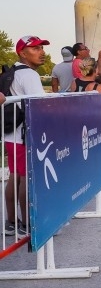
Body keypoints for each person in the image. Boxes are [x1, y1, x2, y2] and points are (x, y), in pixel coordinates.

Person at [3, 35, 49, 237]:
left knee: (15, 176)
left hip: (10, 133)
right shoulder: (29, 75)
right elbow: (39, 106)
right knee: (25, 178)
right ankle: (27, 224)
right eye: (36, 49)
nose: (42, 52)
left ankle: (12, 222)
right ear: (22, 53)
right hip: (24, 134)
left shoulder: (12, 71)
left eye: (41, 48)